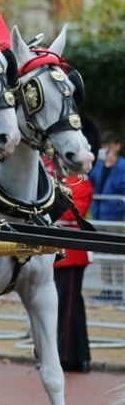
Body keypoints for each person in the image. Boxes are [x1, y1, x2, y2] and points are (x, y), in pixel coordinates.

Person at [48, 158, 94, 372]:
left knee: (68, 308)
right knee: (61, 307)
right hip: (55, 254)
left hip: (72, 255)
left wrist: (51, 206)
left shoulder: (80, 181)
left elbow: (74, 213)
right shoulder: (56, 180)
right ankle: (73, 355)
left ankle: (68, 355)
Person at [90, 130, 125, 304]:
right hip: (98, 216)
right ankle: (107, 288)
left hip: (114, 217)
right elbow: (92, 181)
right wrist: (103, 165)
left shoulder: (123, 167)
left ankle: (119, 290)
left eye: (109, 146)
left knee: (116, 255)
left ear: (118, 147)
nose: (106, 149)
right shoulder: (98, 165)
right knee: (102, 254)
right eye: (104, 146)